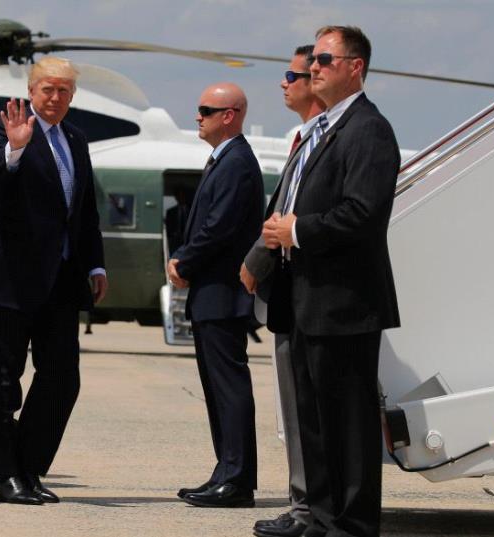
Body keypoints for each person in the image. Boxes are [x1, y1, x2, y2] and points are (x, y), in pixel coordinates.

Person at [246, 26, 400, 537]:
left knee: (348, 430)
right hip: (308, 301)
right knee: (315, 425)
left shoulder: (368, 129)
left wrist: (298, 229)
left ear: (355, 67)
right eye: (313, 59)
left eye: (325, 60)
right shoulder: (324, 128)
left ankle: (351, 527)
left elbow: (363, 213)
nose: (314, 67)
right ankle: (323, 519)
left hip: (345, 304)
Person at [0, 56, 107, 505]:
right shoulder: (5, 127)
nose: (55, 97)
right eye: (48, 89)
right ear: (31, 89)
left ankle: (28, 467)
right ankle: (8, 477)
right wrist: (16, 150)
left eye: (64, 90)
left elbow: (83, 211)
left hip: (61, 278)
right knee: (2, 381)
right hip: (8, 278)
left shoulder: (76, 140)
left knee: (64, 377)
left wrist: (95, 265)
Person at [243, 45, 326, 537]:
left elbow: (289, 216)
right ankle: (303, 503)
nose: (286, 83)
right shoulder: (302, 138)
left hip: (316, 293)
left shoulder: (323, 140)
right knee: (296, 412)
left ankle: (310, 507)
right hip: (291, 294)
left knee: (310, 412)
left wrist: (256, 258)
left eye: (294, 75)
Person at [169, 83, 263, 508]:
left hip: (222, 293)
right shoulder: (223, 160)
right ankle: (226, 471)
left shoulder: (237, 162)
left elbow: (219, 226)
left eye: (207, 110)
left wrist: (183, 263)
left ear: (231, 115)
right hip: (212, 294)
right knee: (217, 388)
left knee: (228, 387)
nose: (198, 116)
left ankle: (237, 478)